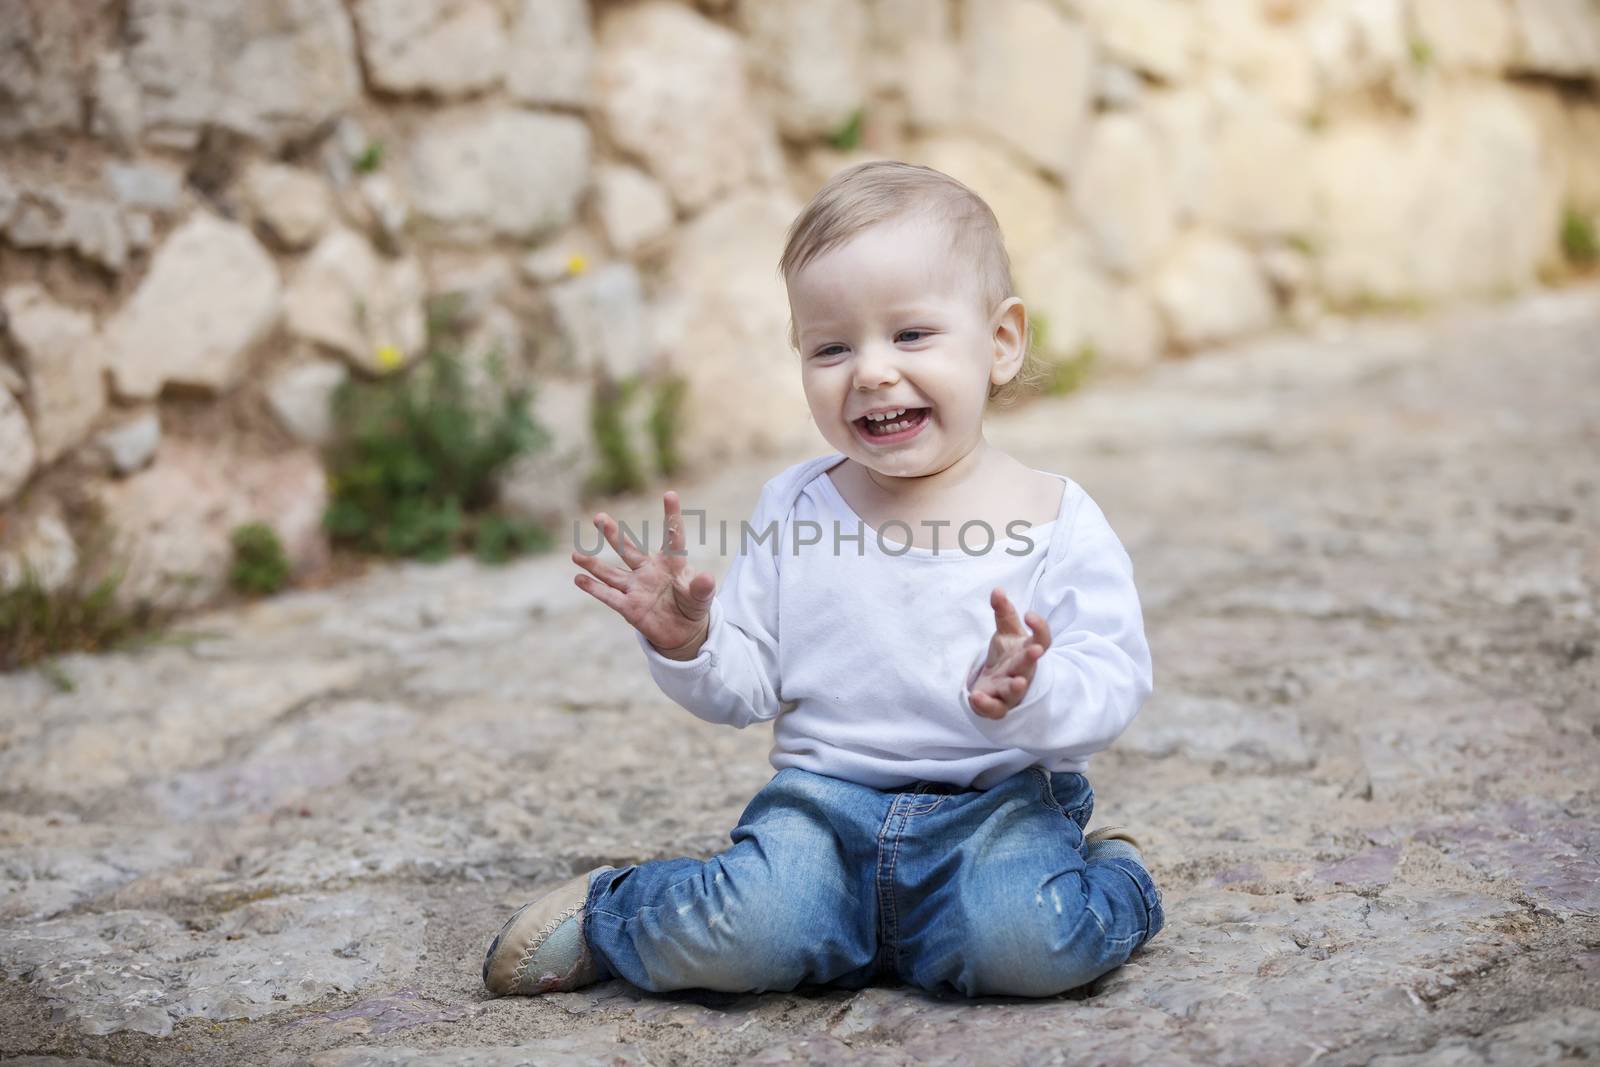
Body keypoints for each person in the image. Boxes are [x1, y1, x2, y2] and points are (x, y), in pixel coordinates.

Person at [482, 160, 1163, 1000]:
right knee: (749, 932)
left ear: (1001, 341)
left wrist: (1034, 688)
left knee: (1026, 946)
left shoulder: (1056, 516)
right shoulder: (797, 506)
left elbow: (1115, 676)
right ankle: (613, 914)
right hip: (822, 808)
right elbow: (748, 684)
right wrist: (695, 643)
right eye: (832, 347)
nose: (871, 372)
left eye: (911, 335)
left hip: (997, 806)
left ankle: (1115, 878)